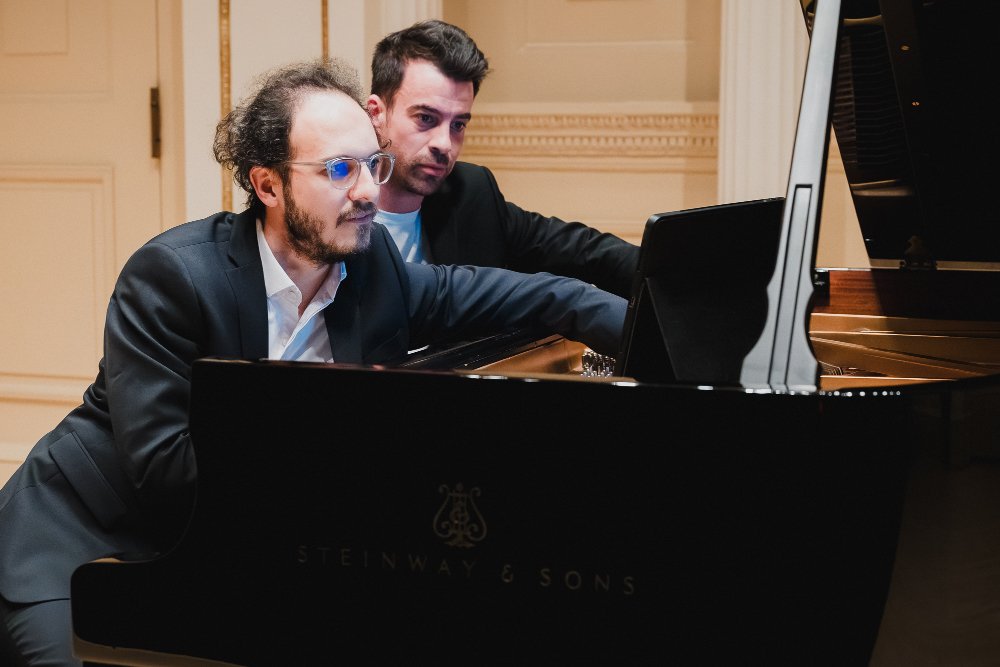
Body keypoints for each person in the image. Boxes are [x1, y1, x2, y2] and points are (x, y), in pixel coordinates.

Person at [0, 57, 626, 666]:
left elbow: (518, 293)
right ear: (267, 183)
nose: (367, 192)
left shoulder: (369, 264)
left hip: (225, 547)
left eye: (372, 164)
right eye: (338, 169)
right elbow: (168, 472)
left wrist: (630, 324)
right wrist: (337, 433)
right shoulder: (173, 277)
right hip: (85, 538)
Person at [367, 19, 640, 299]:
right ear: (376, 113)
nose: (445, 144)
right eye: (426, 118)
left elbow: (585, 252)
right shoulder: (335, 207)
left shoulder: (470, 192)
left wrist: (674, 271)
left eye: (458, 125)